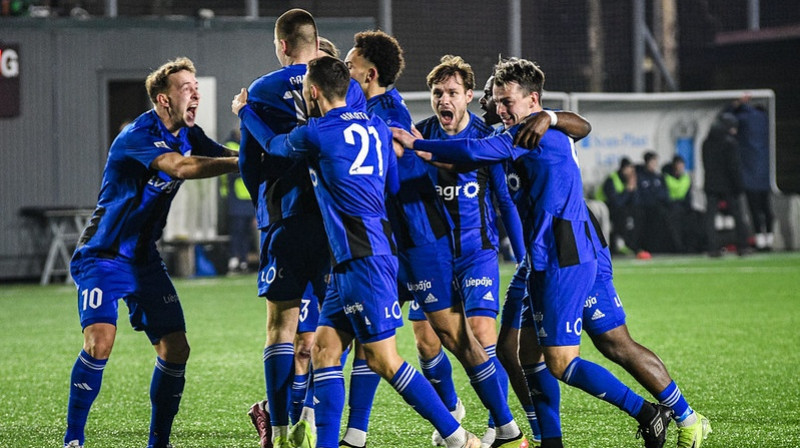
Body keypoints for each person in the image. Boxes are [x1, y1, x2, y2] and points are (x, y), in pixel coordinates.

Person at [393, 57, 674, 448]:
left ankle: (652, 412)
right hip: (537, 258)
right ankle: (544, 438)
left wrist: (418, 146)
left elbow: (482, 154)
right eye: (498, 101)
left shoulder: (526, 135)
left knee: (576, 355)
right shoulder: (515, 131)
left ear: (532, 101)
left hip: (562, 255)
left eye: (508, 101)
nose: (502, 108)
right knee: (510, 349)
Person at [247, 54, 484, 448]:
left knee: (384, 360)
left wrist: (246, 111)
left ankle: (460, 438)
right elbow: (391, 185)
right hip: (363, 252)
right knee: (325, 351)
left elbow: (272, 144)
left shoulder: (317, 132)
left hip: (361, 258)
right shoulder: (375, 125)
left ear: (313, 91)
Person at [343, 31, 526, 448]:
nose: (445, 100)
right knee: (422, 342)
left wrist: (521, 255)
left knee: (478, 335)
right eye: (438, 92)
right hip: (410, 248)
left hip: (473, 250)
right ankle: (449, 413)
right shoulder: (417, 131)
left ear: (467, 96)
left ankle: (504, 426)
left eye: (452, 93)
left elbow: (503, 198)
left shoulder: (482, 138)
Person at [63, 57, 239, 448]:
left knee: (176, 348)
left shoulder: (190, 133)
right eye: (186, 87)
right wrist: (245, 161)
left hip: (143, 258)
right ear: (163, 99)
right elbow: (182, 168)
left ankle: (159, 442)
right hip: (104, 253)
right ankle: (74, 438)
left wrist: (265, 149)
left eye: (196, 85)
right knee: (100, 342)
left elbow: (226, 155)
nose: (194, 91)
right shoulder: (136, 135)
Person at [233, 10, 367, 447]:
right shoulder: (345, 87)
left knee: (281, 328)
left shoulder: (263, 90)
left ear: (283, 45)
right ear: (315, 42)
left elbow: (250, 163)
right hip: (337, 226)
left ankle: (277, 429)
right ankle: (329, 427)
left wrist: (265, 205)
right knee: (328, 335)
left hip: (286, 221)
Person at [727, 94, 773, 251]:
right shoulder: (765, 121)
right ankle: (769, 240)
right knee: (766, 208)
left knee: (754, 210)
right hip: (764, 176)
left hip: (749, 176)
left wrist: (737, 104)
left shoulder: (744, 118)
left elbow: (727, 117)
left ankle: (760, 241)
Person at [702, 112, 749, 257]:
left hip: (711, 184)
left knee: (710, 218)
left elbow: (706, 164)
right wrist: (739, 186)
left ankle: (712, 248)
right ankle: (742, 246)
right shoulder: (730, 143)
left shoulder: (707, 142)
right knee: (737, 216)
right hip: (729, 185)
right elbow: (733, 167)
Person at [595, 157, 650, 258]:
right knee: (622, 214)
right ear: (624, 169)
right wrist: (628, 189)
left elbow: (636, 202)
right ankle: (619, 244)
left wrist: (634, 189)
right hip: (605, 207)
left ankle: (635, 245)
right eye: (630, 169)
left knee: (639, 213)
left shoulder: (630, 180)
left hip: (622, 208)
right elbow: (616, 202)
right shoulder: (611, 180)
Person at [220, 127, 256, 273]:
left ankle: (244, 260)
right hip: (236, 197)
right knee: (237, 230)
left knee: (247, 232)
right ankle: (234, 258)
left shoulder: (249, 145)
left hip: (249, 197)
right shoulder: (230, 146)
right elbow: (227, 173)